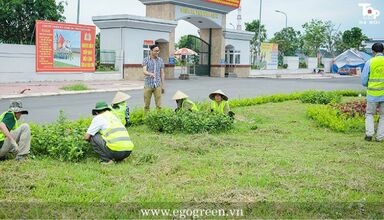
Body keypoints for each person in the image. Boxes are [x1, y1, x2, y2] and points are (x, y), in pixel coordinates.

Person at [361, 42, 384, 141]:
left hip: (372, 94)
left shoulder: (369, 62)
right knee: (383, 116)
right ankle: (380, 137)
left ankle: (369, 134)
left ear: (373, 52)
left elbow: (364, 80)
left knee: (369, 114)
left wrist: (369, 85)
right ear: (383, 51)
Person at [142, 44, 165, 113]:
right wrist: (150, 74)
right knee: (146, 105)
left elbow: (162, 73)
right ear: (151, 51)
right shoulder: (146, 60)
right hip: (148, 85)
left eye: (158, 51)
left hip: (157, 85)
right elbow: (144, 71)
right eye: (156, 51)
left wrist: (163, 85)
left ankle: (158, 118)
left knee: (159, 105)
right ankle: (147, 119)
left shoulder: (160, 60)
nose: (157, 52)